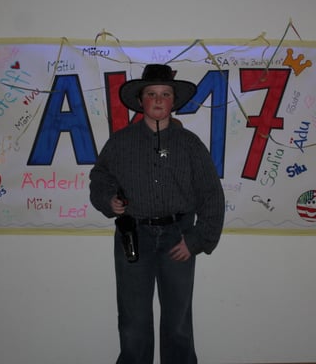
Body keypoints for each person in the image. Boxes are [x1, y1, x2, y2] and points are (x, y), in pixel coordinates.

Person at [89, 64, 225, 364]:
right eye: (151, 94)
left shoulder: (190, 144)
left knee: (177, 321)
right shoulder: (120, 142)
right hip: (133, 237)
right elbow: (100, 178)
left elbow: (211, 194)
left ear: (174, 101)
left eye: (165, 94)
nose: (159, 100)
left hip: (178, 238)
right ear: (141, 100)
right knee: (133, 319)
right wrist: (108, 200)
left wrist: (197, 240)